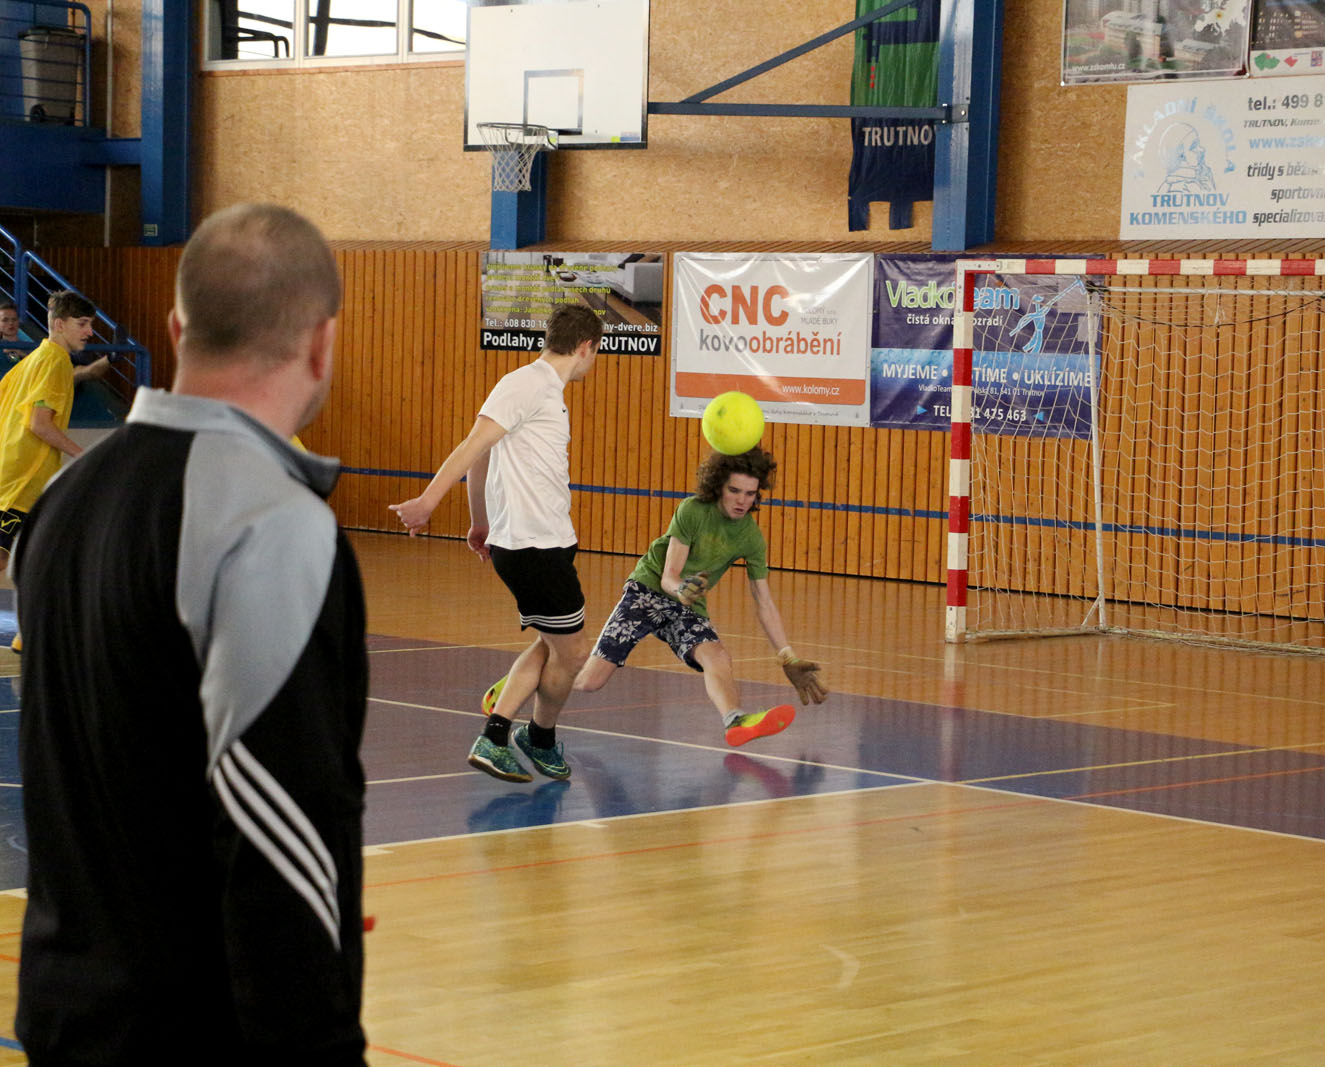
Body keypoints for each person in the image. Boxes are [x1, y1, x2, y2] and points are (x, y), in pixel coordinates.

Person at [10, 204, 368, 1063]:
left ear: (177, 329)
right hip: (193, 1034)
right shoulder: (271, 524)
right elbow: (280, 834)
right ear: (322, 343)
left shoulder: (64, 502)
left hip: (65, 1015)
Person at [390, 303, 603, 784]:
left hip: (539, 541)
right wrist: (427, 501)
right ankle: (516, 736)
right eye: (595, 354)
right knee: (573, 652)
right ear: (586, 346)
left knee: (553, 644)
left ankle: (521, 736)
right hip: (534, 545)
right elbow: (472, 445)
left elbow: (483, 457)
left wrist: (479, 522)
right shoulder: (527, 384)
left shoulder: (542, 391)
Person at [572, 447, 828, 746]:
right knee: (589, 682)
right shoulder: (693, 511)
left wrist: (787, 656)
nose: (742, 501)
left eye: (750, 493)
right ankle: (543, 674)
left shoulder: (751, 537)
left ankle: (735, 720)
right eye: (734, 491)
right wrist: (682, 589)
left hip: (689, 604)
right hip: (648, 591)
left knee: (717, 656)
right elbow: (669, 577)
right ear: (719, 486)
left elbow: (764, 602)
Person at [0, 290, 112, 574]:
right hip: (20, 481)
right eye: (82, 323)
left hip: (16, 475)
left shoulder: (32, 361)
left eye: (90, 324)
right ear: (60, 324)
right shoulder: (56, 361)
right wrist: (83, 455)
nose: (89, 332)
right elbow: (39, 423)